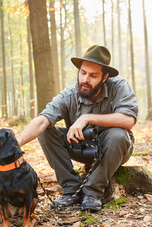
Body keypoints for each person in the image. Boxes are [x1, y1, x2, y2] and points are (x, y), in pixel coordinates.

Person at [16, 45, 138, 211]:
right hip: (81, 147)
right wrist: (16, 144)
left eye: (93, 75)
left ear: (105, 77)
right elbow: (42, 120)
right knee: (46, 130)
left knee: (117, 134)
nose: (85, 79)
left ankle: (92, 192)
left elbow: (128, 120)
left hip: (115, 149)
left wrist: (86, 118)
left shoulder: (118, 86)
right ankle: (71, 188)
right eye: (83, 72)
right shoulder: (70, 94)